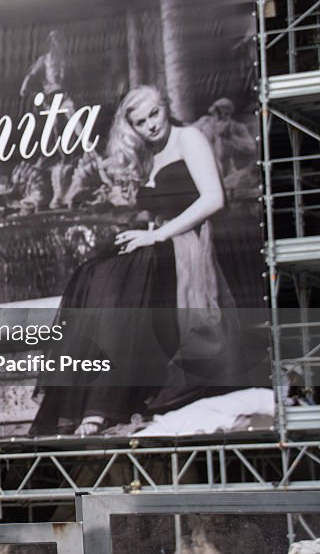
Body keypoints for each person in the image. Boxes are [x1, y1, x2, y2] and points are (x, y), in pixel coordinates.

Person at [30, 85, 241, 436]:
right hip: (157, 242)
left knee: (128, 270)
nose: (151, 126)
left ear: (166, 107)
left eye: (154, 115)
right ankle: (91, 402)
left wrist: (157, 235)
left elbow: (214, 199)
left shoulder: (190, 138)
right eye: (141, 122)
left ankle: (103, 406)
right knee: (92, 273)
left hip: (186, 244)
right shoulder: (145, 154)